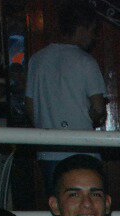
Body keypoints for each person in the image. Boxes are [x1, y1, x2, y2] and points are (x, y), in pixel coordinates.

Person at [25, 2, 107, 194]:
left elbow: (30, 106)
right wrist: (93, 117)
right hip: (83, 150)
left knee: (57, 203)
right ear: (82, 29)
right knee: (88, 204)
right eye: (92, 31)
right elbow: (98, 108)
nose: (93, 37)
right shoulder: (87, 61)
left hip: (48, 151)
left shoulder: (37, 60)